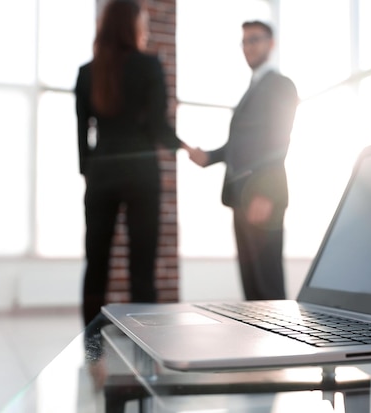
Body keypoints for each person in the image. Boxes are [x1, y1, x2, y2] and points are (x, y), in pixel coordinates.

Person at [75, 0, 191, 327]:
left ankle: (91, 346)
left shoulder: (87, 72)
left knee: (96, 262)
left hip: (102, 173)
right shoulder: (149, 66)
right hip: (142, 175)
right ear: (133, 25)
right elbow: (159, 128)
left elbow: (82, 138)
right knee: (142, 265)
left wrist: (91, 174)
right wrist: (186, 148)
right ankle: (145, 348)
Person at [189, 21, 299, 301]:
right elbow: (239, 145)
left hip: (263, 197)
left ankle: (283, 345)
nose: (249, 46)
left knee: (268, 284)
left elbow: (280, 139)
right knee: (252, 288)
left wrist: (265, 192)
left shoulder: (281, 85)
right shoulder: (251, 90)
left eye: (255, 39)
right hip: (240, 196)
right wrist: (209, 157)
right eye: (245, 41)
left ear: (271, 44)